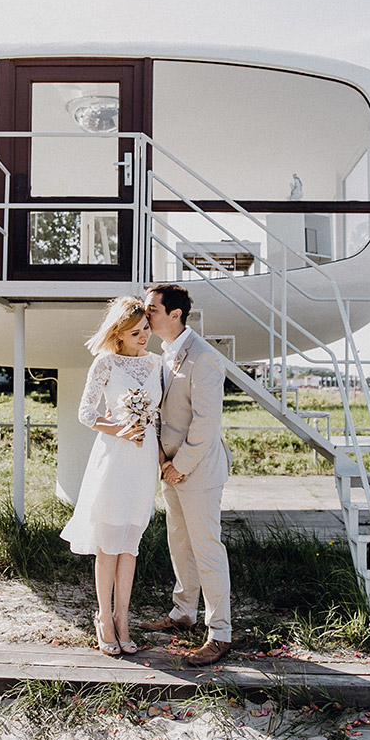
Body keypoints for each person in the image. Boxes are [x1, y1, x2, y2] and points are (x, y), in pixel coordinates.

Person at [61, 296, 163, 656]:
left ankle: (124, 619)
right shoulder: (105, 363)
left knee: (130, 545)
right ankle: (104, 618)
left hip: (144, 458)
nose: (144, 336)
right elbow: (86, 413)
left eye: (146, 329)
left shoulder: (157, 364)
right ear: (118, 334)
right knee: (109, 545)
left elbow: (161, 416)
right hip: (113, 457)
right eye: (135, 332)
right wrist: (119, 429)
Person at [139, 283, 233, 666]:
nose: (146, 315)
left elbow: (205, 423)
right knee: (179, 542)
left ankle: (221, 632)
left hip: (199, 469)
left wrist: (180, 466)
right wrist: (163, 461)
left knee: (207, 548)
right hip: (170, 468)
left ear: (175, 315)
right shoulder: (162, 355)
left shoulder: (205, 358)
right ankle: (183, 613)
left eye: (152, 309)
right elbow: (161, 416)